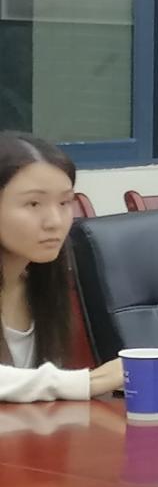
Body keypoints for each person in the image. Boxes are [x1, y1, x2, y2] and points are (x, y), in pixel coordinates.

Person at [0, 132, 123, 401]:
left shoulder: (42, 283)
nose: (55, 221)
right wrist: (89, 382)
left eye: (65, 202)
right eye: (33, 203)